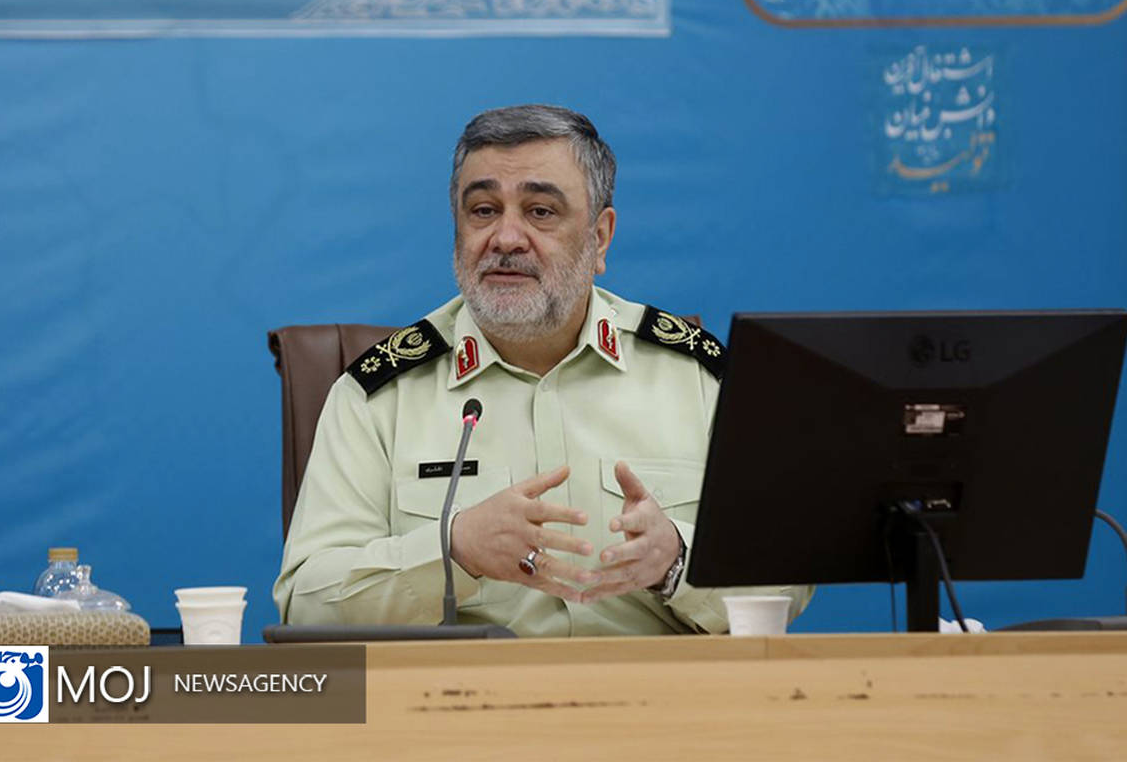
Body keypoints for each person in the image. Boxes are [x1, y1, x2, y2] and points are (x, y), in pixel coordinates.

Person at [273, 104, 812, 635]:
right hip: (459, 689)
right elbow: (306, 603)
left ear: (599, 238)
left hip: (658, 687)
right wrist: (453, 552)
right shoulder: (380, 394)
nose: (506, 238)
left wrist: (676, 563)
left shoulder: (696, 378)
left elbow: (788, 579)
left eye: (541, 212)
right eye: (483, 210)